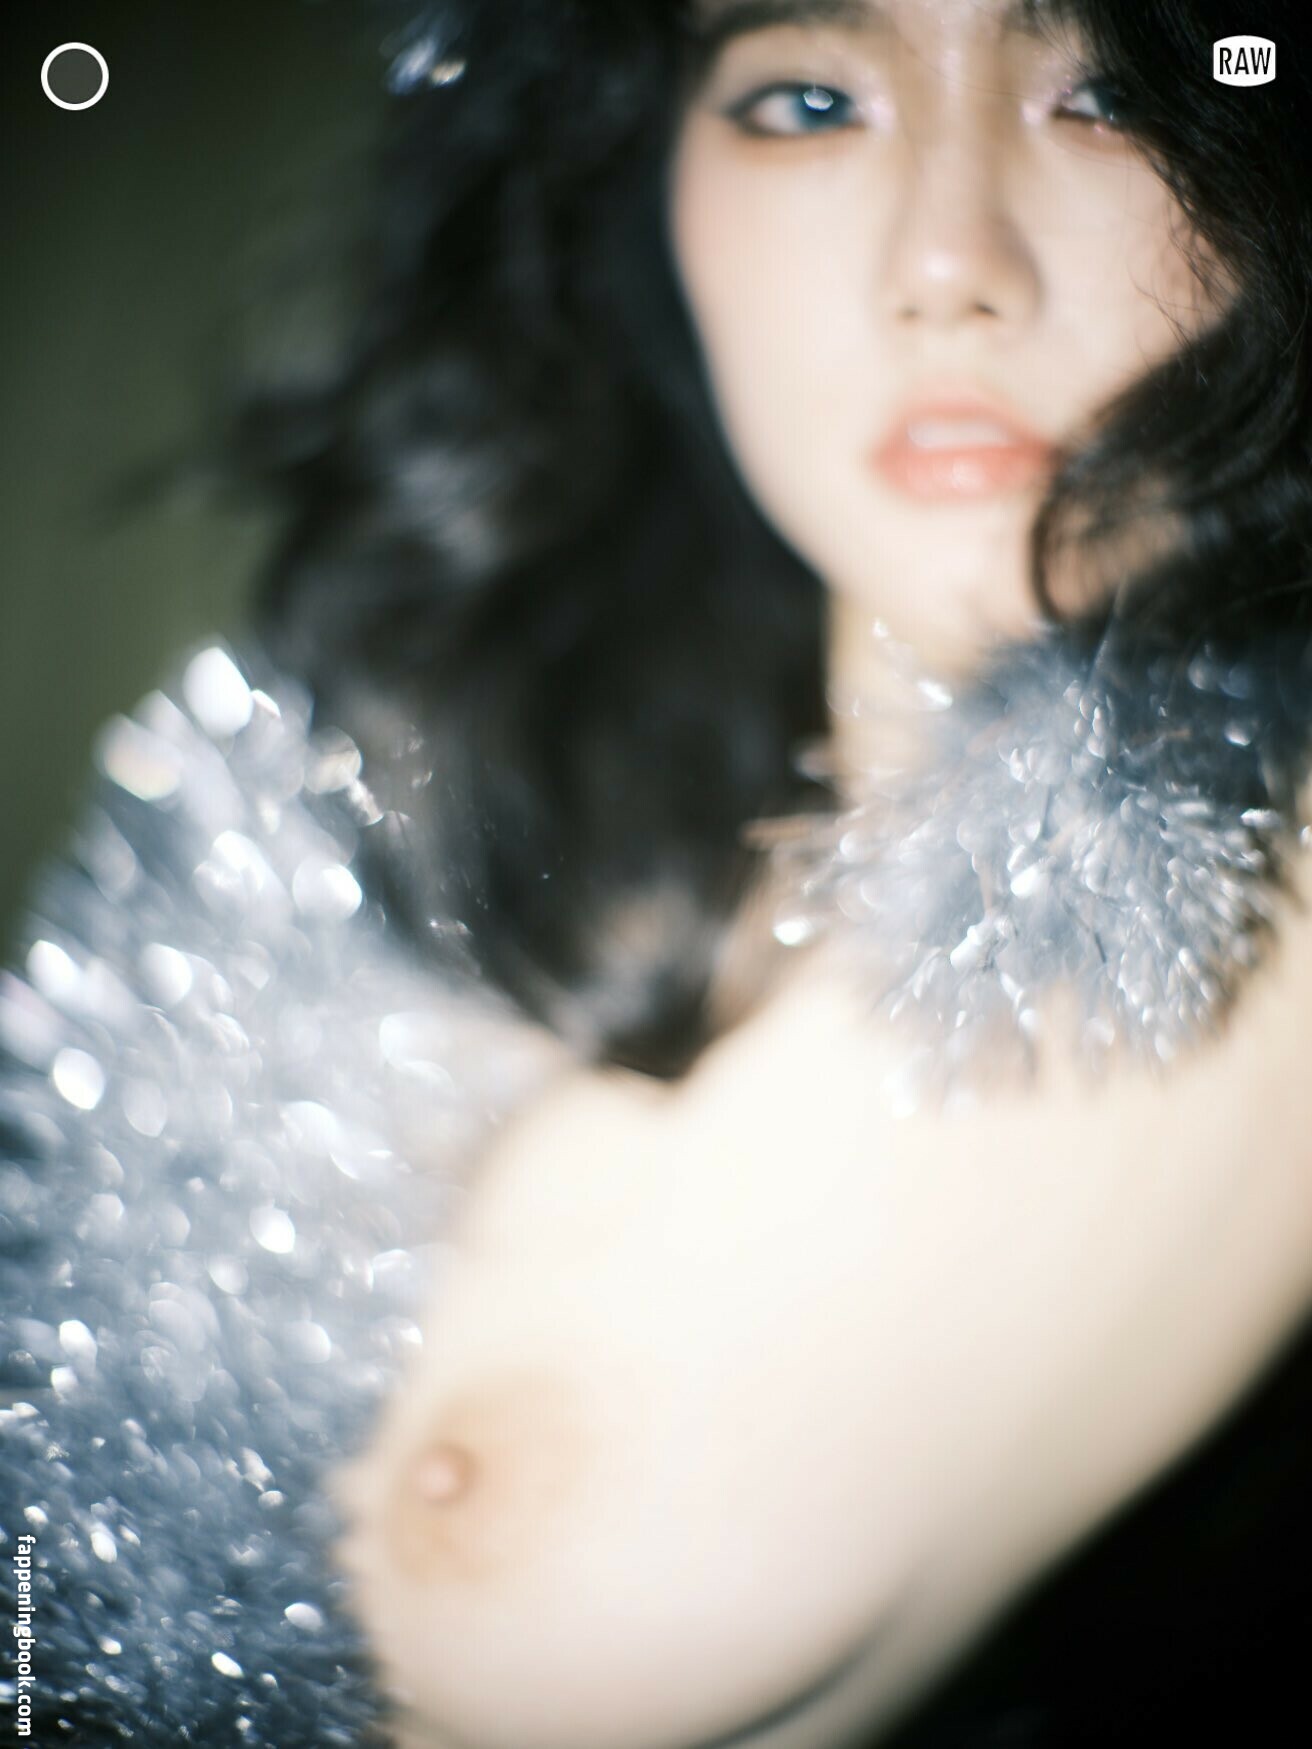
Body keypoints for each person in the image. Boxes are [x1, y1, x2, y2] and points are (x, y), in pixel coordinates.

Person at [4, 2, 1312, 1747]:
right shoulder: (397, 826)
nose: (947, 262)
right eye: (809, 99)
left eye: (1110, 91)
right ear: (644, 176)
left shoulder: (1251, 910)